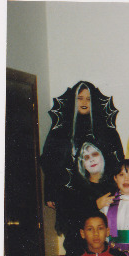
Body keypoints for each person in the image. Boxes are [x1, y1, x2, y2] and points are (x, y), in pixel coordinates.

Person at [40, 81, 123, 216]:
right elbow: (50, 163)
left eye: (88, 99)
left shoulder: (107, 131)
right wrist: (50, 192)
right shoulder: (60, 131)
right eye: (80, 98)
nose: (84, 102)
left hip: (102, 191)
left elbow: (119, 161)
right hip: (70, 194)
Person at [56, 141, 118, 256]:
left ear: (103, 156)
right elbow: (70, 224)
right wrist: (95, 206)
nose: (91, 160)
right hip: (82, 253)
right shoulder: (74, 190)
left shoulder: (116, 185)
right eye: (86, 157)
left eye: (94, 154)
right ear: (82, 164)